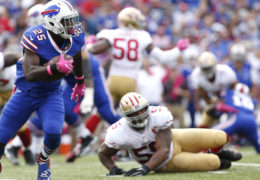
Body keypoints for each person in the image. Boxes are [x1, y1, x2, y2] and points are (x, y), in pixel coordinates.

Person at [0, 0, 86, 179]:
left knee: (54, 134)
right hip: (25, 93)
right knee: (0, 139)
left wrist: (79, 81)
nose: (72, 26)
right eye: (67, 21)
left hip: (51, 93)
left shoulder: (75, 34)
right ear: (53, 22)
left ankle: (43, 159)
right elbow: (30, 73)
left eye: (72, 20)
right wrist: (53, 68)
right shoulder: (34, 36)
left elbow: (76, 53)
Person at [85, 6, 190, 138]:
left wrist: (89, 44)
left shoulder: (111, 33)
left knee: (101, 111)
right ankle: (126, 147)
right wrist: (178, 49)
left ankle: (83, 139)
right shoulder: (142, 36)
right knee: (135, 115)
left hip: (113, 79)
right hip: (130, 80)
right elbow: (163, 57)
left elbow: (93, 50)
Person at [98, 92, 242, 176]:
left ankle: (214, 150)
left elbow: (164, 149)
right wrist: (113, 169)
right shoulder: (118, 131)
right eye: (135, 112)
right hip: (164, 163)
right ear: (126, 115)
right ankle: (213, 156)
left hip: (174, 140)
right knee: (215, 163)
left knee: (220, 136)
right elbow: (103, 153)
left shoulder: (158, 114)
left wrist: (144, 169)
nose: (141, 114)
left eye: (143, 109)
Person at [190, 51, 237, 128]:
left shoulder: (225, 71)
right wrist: (208, 102)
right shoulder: (196, 75)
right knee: (205, 122)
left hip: (229, 100)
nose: (207, 71)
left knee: (233, 121)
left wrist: (227, 99)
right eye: (204, 69)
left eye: (208, 68)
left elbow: (235, 86)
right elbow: (201, 92)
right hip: (212, 100)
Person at [212, 83, 260, 153]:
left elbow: (220, 106)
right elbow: (254, 113)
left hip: (238, 117)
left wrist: (217, 108)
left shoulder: (230, 93)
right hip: (251, 120)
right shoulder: (251, 100)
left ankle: (206, 150)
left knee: (214, 132)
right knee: (257, 145)